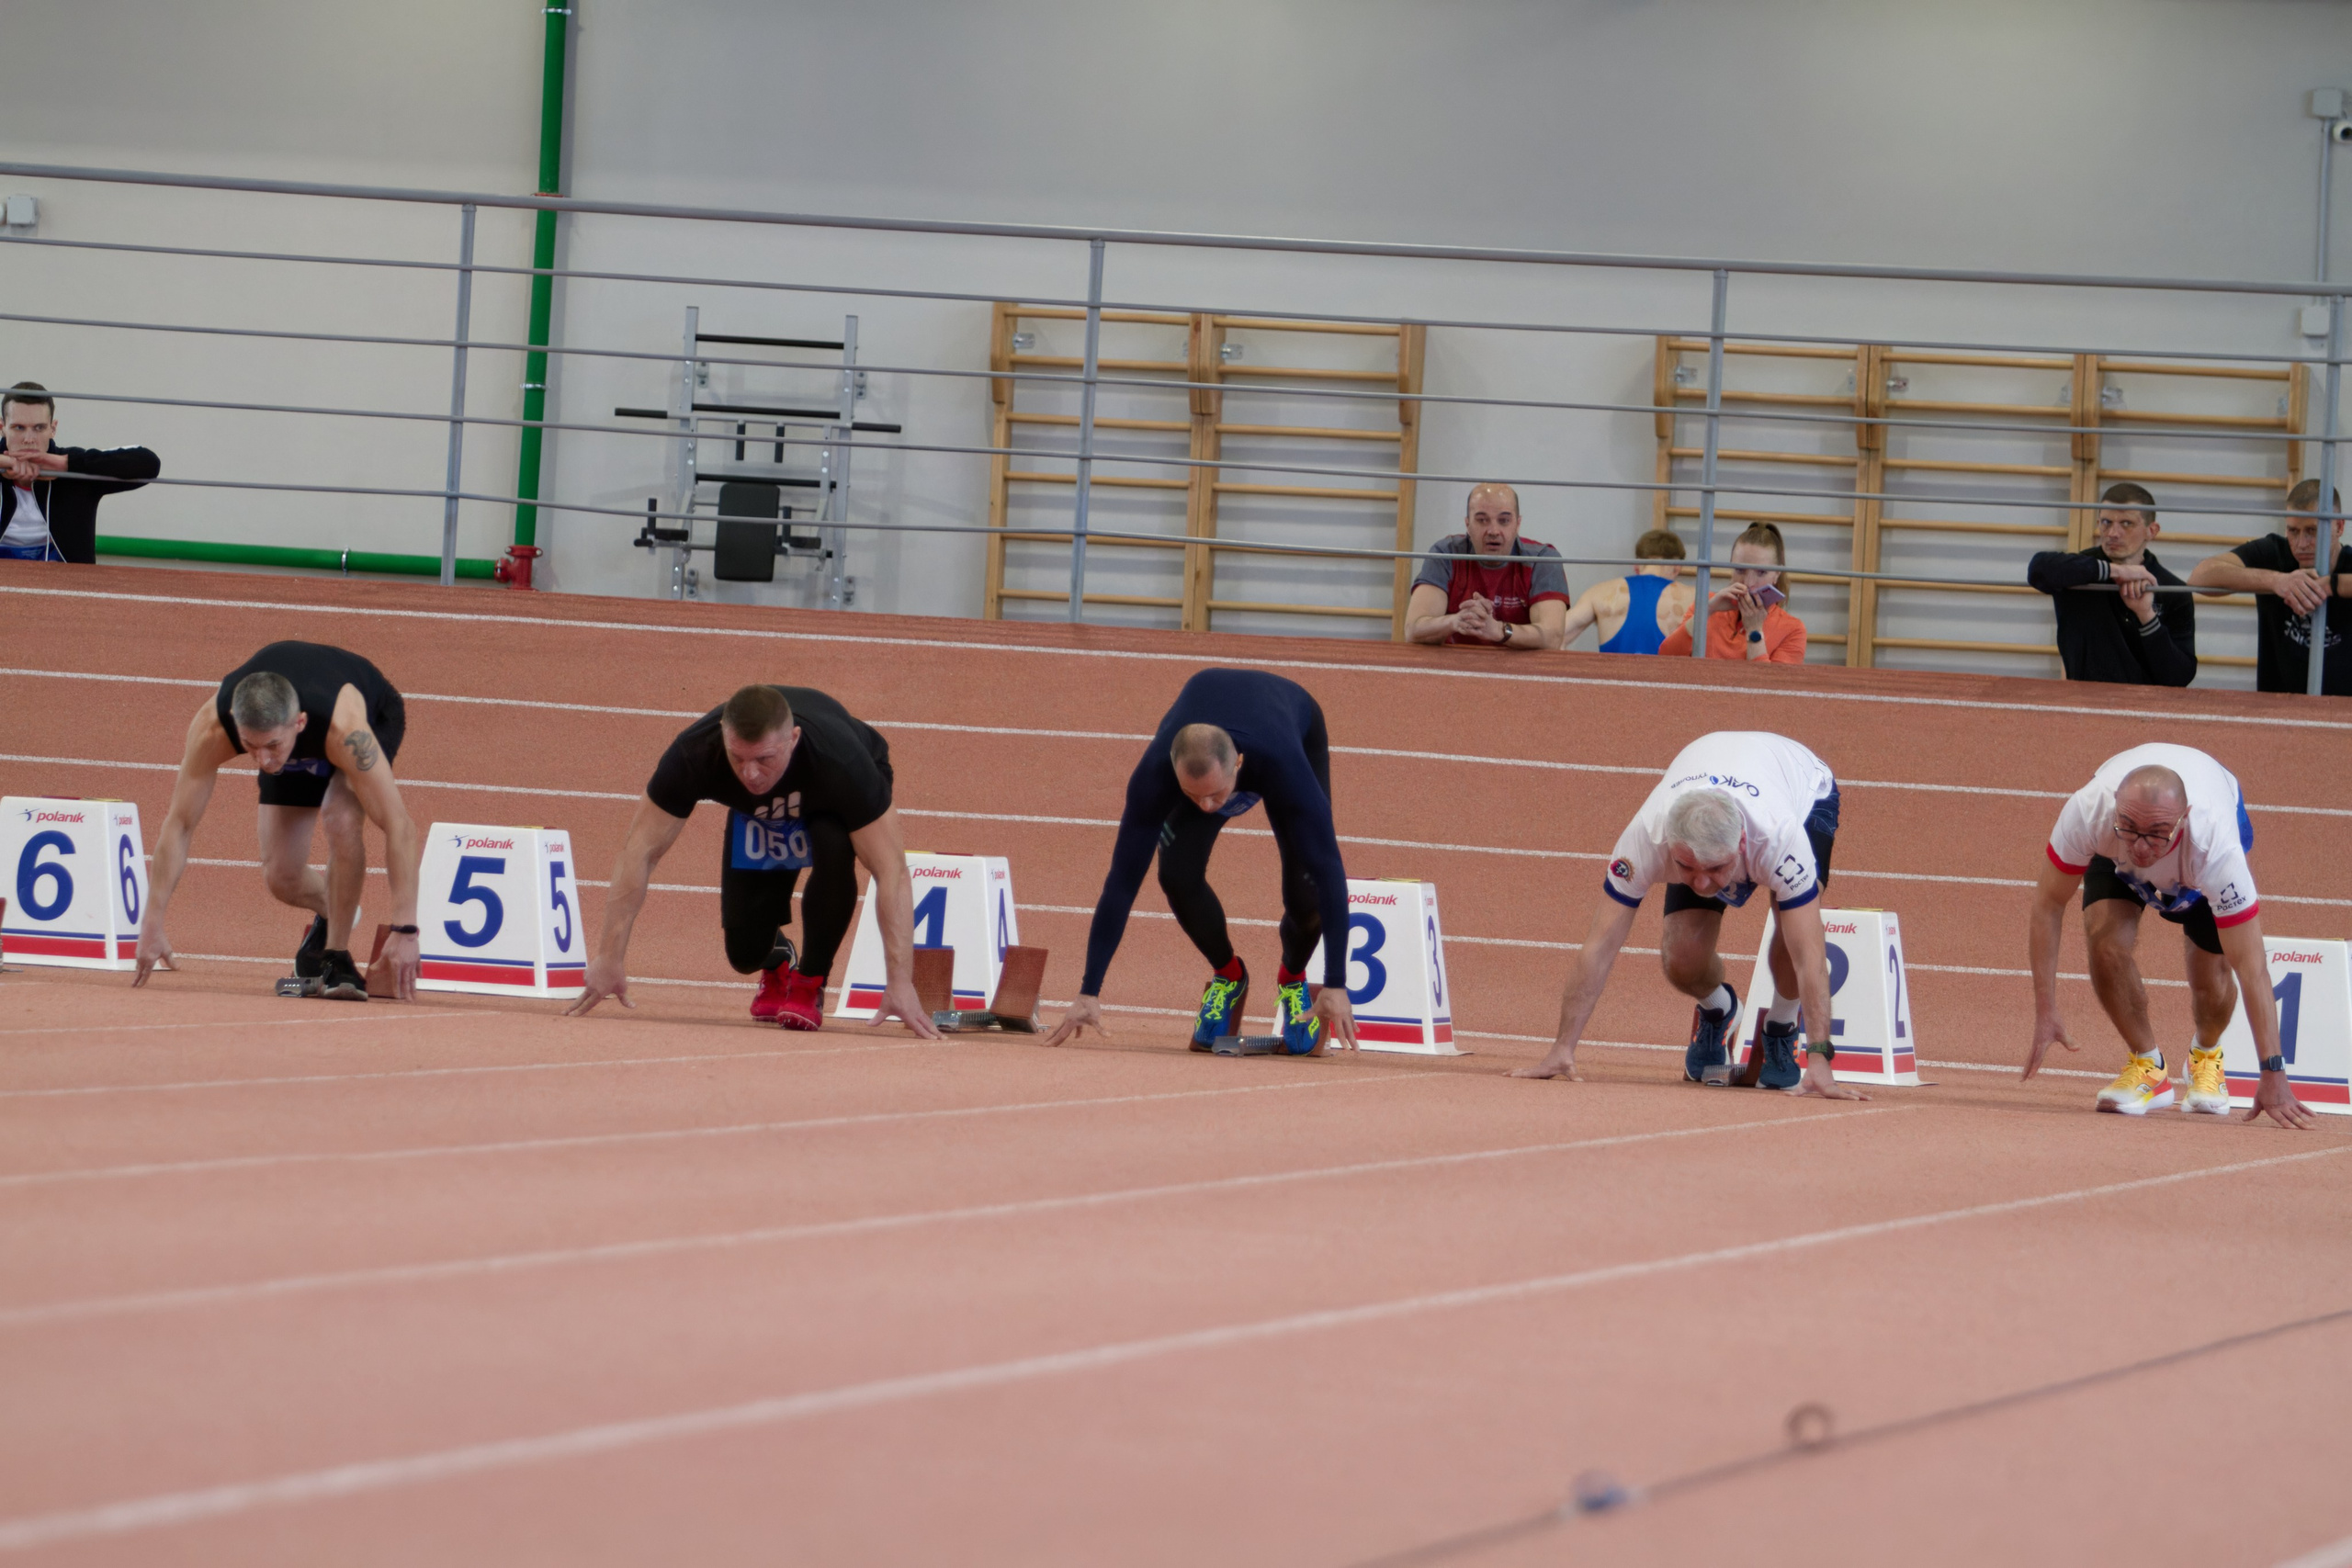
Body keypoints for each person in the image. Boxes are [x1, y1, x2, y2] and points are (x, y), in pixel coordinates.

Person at [566, 683, 940, 1037]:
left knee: (834, 842)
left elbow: (891, 871)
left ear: (792, 739)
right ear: (724, 739)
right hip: (759, 813)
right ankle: (779, 958)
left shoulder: (841, 761)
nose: (750, 773)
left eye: (764, 759)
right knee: (744, 953)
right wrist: (608, 956)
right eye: (737, 758)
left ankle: (811, 981)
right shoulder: (696, 752)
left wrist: (900, 982)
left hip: (829, 797)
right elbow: (639, 851)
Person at [1514, 730, 1861, 1099]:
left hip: (1804, 790)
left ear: (1742, 844)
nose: (1701, 883)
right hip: (1705, 798)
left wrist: (1820, 1058)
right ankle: (1720, 1009)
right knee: (1682, 959)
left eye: (1715, 869)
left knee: (1789, 948)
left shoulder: (1779, 838)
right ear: (1670, 843)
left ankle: (1780, 1026)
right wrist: (1562, 1048)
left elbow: (1810, 956)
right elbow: (1599, 946)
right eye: (1686, 867)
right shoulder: (1646, 839)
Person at [1044, 668, 1359, 1055]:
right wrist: (1088, 990)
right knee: (1175, 873)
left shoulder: (1281, 763)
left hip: (1292, 726)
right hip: (1209, 745)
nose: (1207, 807)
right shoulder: (1154, 775)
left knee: (1305, 887)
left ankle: (1292, 977)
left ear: (1238, 764)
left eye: (1216, 795)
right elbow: (1121, 881)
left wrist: (1336, 982)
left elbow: (1329, 867)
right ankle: (1229, 975)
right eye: (1194, 797)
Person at [2023, 742, 2312, 1127]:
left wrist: (2273, 1073)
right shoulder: (2090, 812)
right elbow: (2048, 904)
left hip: (2192, 857)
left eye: (2157, 833)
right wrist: (2046, 1009)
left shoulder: (2215, 847)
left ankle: (2206, 1055)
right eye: (2131, 828)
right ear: (2115, 810)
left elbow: (2252, 967)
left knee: (2210, 978)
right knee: (2105, 944)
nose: (2142, 848)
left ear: (2184, 818)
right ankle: (2148, 1066)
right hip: (2118, 845)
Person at [136, 642, 423, 1000]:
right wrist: (152, 920)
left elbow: (400, 825)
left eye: (271, 746)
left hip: (368, 714)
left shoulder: (348, 733)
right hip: (293, 736)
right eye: (250, 746)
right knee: (282, 876)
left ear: (299, 723)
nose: (263, 760)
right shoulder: (216, 730)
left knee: (342, 816)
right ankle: (334, 912)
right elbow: (179, 824)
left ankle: (335, 956)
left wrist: (406, 930)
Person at [2184, 479, 2349, 695]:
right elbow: (2199, 578)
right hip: (2277, 710)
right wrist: (2277, 581)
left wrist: (2332, 584)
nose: (2301, 543)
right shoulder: (2274, 553)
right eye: (2293, 531)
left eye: (2312, 531)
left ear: (2339, 527)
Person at [2027, 482, 2196, 687]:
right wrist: (2116, 570)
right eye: (2106, 522)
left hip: (2143, 711)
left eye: (2126, 524)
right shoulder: (2077, 572)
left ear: (2151, 530)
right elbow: (2038, 569)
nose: (2113, 533)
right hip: (2084, 703)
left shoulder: (2172, 589)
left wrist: (2146, 616)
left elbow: (2180, 677)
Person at [0, 382, 160, 563]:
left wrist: (67, 464)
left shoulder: (76, 467)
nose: (29, 439)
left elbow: (148, 463)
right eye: (19, 428)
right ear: (2, 428)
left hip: (65, 583)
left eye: (39, 428)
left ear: (53, 428)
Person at [1403, 482, 1569, 650]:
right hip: (1456, 669)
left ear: (1517, 524)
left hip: (1520, 670)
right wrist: (1456, 621)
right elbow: (1413, 630)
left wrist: (1498, 630)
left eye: (1504, 521)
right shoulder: (1446, 554)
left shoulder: (1542, 559)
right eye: (1482, 520)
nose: (1493, 530)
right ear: (1467, 524)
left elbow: (1552, 638)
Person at [1657, 523, 1807, 662]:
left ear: (1777, 575)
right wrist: (1707, 611)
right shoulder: (1708, 604)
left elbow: (1769, 689)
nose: (1748, 583)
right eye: (1740, 570)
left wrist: (1754, 631)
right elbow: (1666, 656)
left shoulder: (1793, 629)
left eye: (1761, 572)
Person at [1560, 527, 1696, 654]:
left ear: (1636, 565)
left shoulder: (1599, 593)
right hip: (1668, 678)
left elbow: (1555, 636)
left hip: (1611, 678)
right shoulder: (1693, 597)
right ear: (1677, 567)